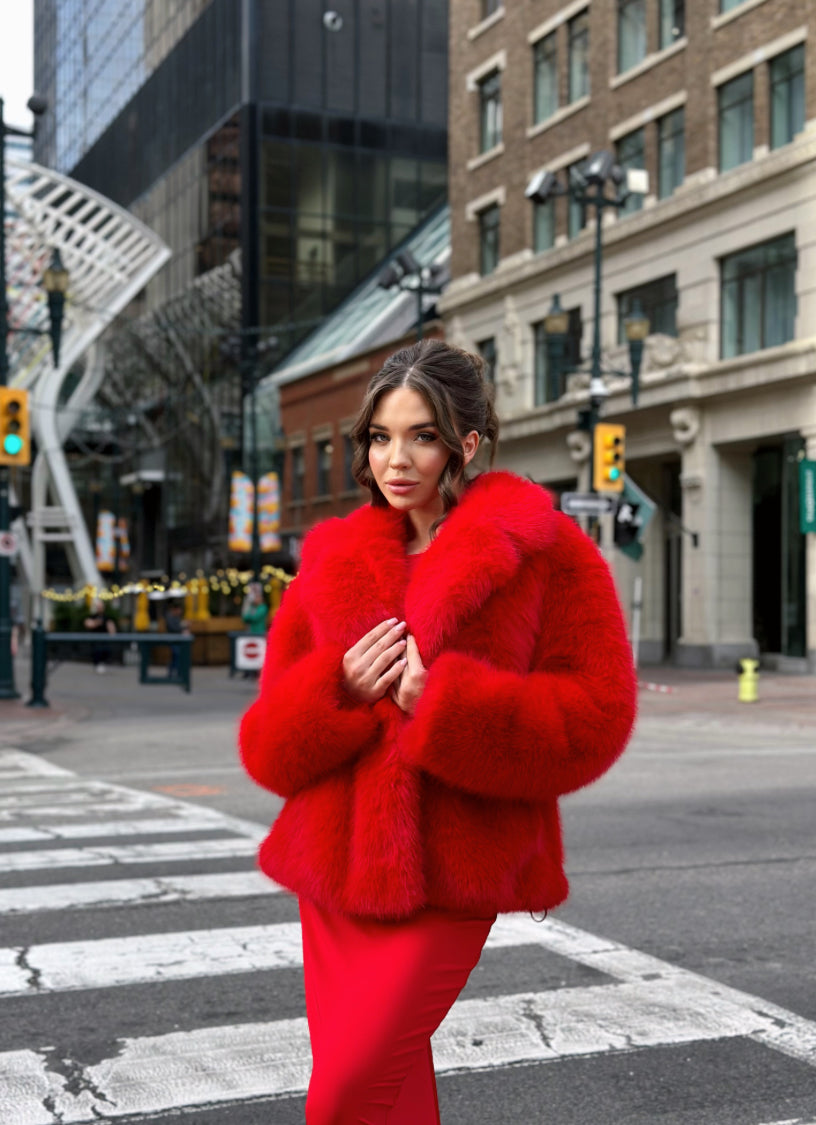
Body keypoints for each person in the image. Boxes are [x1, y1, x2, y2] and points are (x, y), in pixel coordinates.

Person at [239, 339, 637, 1124]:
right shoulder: (332, 559)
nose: (396, 457)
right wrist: (340, 689)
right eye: (380, 437)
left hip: (457, 869)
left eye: (421, 435)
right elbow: (267, 745)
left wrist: (446, 704)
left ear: (468, 444)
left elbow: (597, 715)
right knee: (391, 1095)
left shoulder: (546, 552)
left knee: (347, 1091)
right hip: (336, 872)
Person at [82, 597, 116, 673]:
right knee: (96, 651)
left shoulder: (107, 618)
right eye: (98, 607)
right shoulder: (92, 616)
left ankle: (102, 663)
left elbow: (111, 628)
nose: (100, 608)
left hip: (104, 639)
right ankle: (97, 664)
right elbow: (88, 624)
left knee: (105, 651)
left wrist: (112, 633)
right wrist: (97, 622)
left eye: (101, 607)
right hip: (95, 639)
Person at [164, 600, 190, 679]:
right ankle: (174, 673)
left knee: (176, 656)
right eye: (179, 610)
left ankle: (175, 673)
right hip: (173, 640)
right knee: (177, 655)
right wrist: (182, 628)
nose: (180, 612)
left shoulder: (176, 617)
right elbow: (173, 628)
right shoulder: (170, 617)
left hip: (177, 640)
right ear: (175, 609)